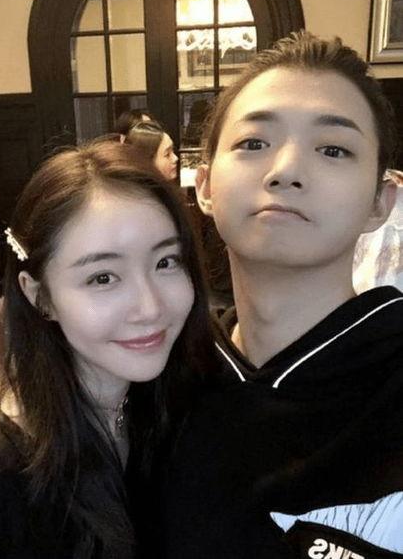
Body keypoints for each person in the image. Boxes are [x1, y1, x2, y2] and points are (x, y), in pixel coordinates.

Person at [0, 140, 214, 559]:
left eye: (165, 262)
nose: (151, 307)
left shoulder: (159, 405)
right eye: (103, 278)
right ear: (40, 297)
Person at [161, 31, 403, 559]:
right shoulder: (164, 375)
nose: (286, 171)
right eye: (253, 144)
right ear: (204, 185)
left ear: (380, 202)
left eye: (333, 149)